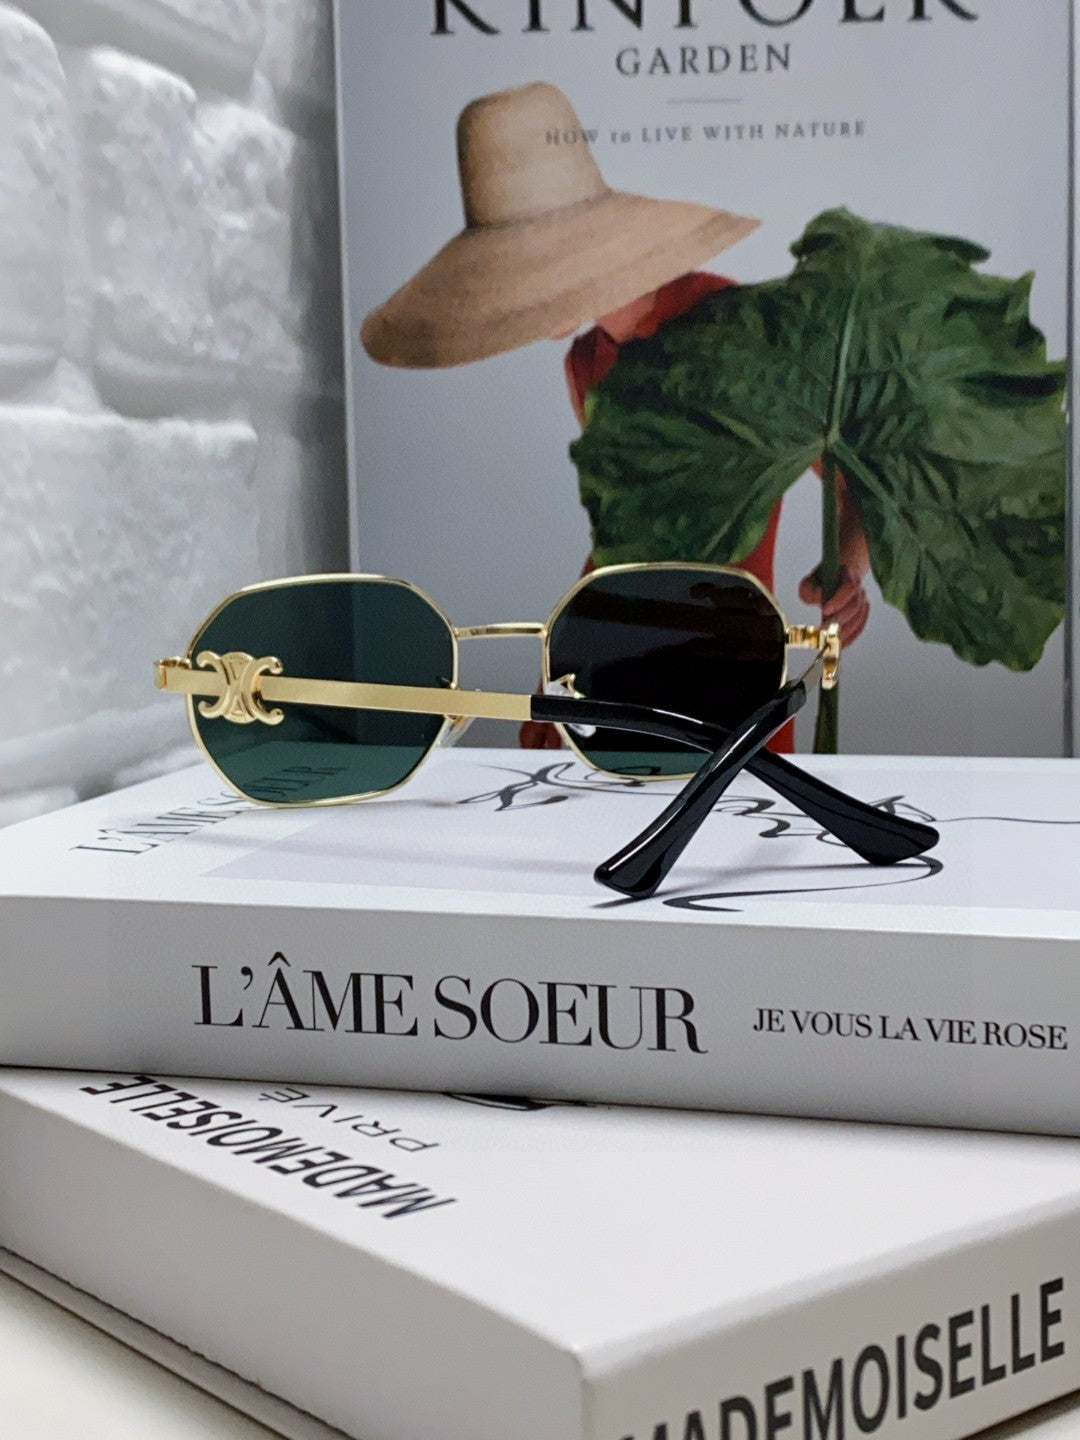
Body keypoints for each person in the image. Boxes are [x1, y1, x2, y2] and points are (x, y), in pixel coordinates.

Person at [361, 82, 870, 754]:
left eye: (525, 271)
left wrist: (847, 569)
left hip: (733, 682)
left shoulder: (746, 339)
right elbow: (623, 540)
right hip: (616, 682)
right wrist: (563, 671)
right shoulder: (586, 362)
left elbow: (858, 473)